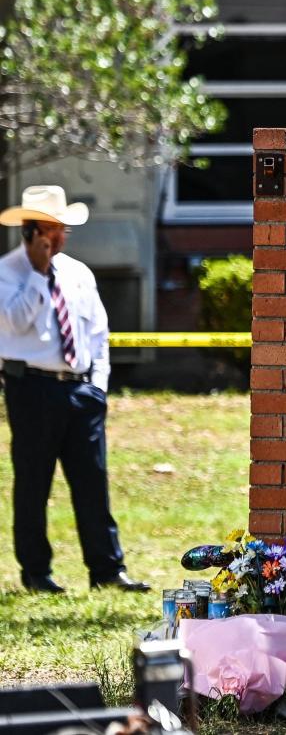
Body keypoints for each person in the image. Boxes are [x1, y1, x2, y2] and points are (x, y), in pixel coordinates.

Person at [0, 185, 148, 594]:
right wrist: (36, 273)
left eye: (62, 228)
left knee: (92, 481)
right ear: (30, 232)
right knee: (33, 483)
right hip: (32, 388)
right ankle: (36, 573)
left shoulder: (79, 273)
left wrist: (98, 385)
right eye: (51, 228)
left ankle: (107, 569)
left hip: (82, 392)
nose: (60, 236)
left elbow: (98, 333)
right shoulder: (7, 273)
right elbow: (13, 324)